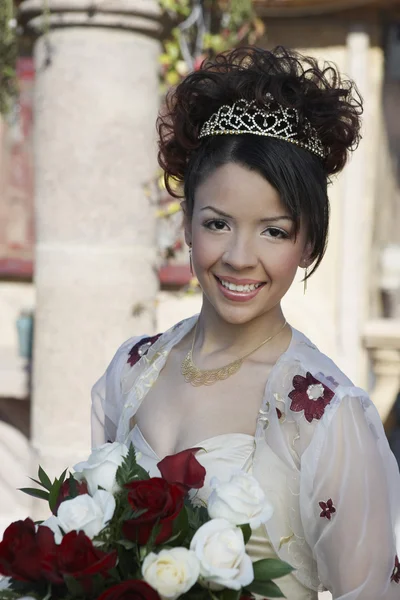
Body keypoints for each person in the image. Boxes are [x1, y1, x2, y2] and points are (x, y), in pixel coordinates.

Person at [91, 46, 400, 599]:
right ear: (186, 224)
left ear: (308, 242)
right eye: (217, 223)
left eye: (274, 230)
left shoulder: (327, 415)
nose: (239, 256)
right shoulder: (130, 369)